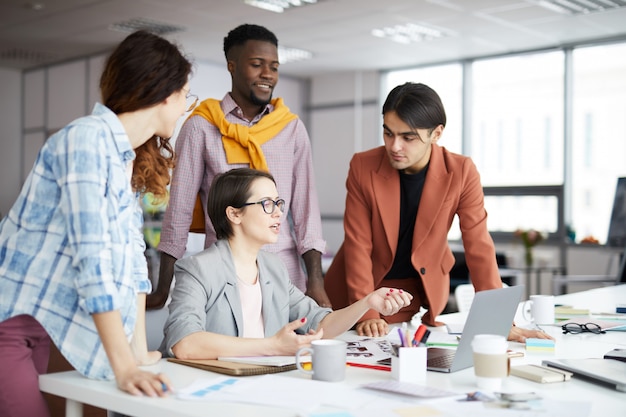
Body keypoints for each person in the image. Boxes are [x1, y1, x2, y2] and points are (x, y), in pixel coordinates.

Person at [0, 30, 193, 416]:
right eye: (187, 95)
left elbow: (135, 266)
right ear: (165, 93)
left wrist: (137, 353)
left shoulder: (126, 158)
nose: (185, 106)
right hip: (9, 325)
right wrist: (123, 367)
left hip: (42, 327)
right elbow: (92, 260)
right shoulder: (85, 141)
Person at [324, 82, 553, 343]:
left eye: (408, 137)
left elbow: (478, 247)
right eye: (388, 133)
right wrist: (366, 311)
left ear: (436, 133)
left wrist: (497, 320)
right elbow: (358, 245)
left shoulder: (461, 171)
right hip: (359, 295)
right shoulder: (363, 166)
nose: (394, 146)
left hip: (413, 294)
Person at [150, 23, 330, 310]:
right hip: (222, 275)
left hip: (285, 276)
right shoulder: (202, 126)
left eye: (274, 66)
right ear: (231, 66)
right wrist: (162, 288)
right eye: (257, 64)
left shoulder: (291, 129)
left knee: (286, 355)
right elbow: (179, 212)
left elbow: (306, 213)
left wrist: (316, 284)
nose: (267, 74)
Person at [161, 168, 412, 359]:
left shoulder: (274, 267)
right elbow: (185, 343)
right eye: (266, 204)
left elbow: (320, 324)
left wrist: (367, 302)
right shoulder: (197, 269)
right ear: (234, 214)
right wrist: (272, 346)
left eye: (278, 203)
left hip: (262, 383)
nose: (279, 213)